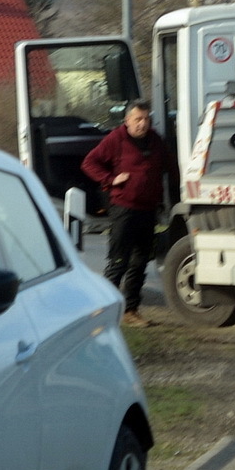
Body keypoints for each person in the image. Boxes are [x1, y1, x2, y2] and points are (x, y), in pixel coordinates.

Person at [81, 100, 177, 327]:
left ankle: (130, 311)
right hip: (124, 208)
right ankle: (102, 310)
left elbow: (170, 166)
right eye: (138, 119)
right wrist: (110, 180)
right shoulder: (116, 139)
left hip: (148, 209)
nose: (143, 124)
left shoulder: (155, 141)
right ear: (127, 121)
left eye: (146, 119)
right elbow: (89, 163)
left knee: (140, 262)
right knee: (118, 262)